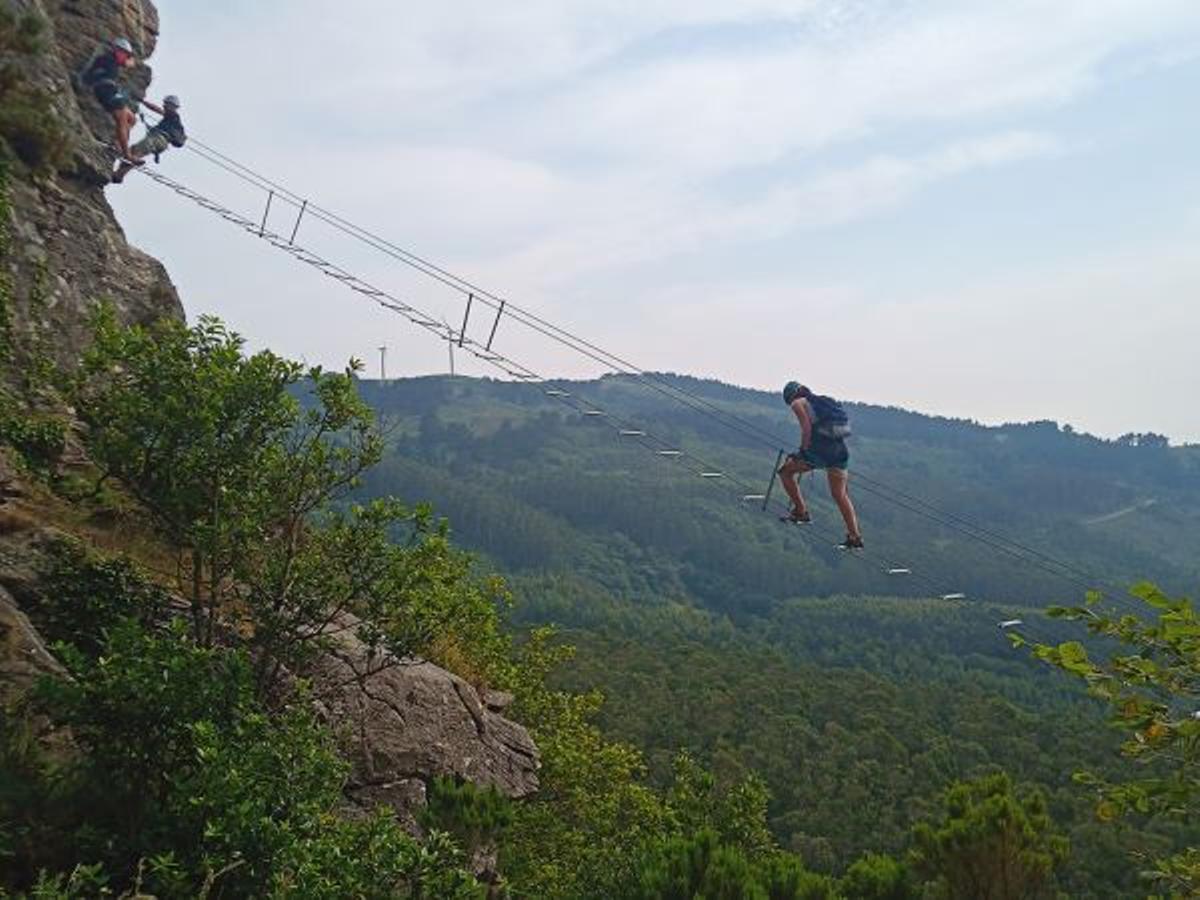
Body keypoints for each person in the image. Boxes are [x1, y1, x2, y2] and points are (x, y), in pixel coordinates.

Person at [777, 381, 864, 549]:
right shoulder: (821, 402)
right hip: (840, 452)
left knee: (785, 472)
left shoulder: (798, 403)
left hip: (819, 451)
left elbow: (806, 429)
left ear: (791, 397)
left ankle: (801, 511)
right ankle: (855, 537)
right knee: (840, 495)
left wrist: (802, 452)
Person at [79, 37, 138, 161]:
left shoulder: (107, 59)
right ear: (117, 50)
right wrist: (130, 60)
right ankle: (127, 154)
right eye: (125, 54)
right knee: (122, 120)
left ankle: (117, 144)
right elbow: (127, 63)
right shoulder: (108, 59)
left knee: (131, 119)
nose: (126, 57)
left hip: (109, 90)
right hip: (106, 90)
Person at [111, 95, 186, 184]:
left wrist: (142, 101)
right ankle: (119, 174)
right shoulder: (171, 118)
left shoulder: (173, 115)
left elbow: (155, 108)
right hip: (158, 140)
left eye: (166, 104)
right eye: (164, 104)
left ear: (173, 106)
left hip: (158, 139)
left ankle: (119, 174)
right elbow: (159, 110)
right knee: (132, 151)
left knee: (136, 153)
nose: (164, 106)